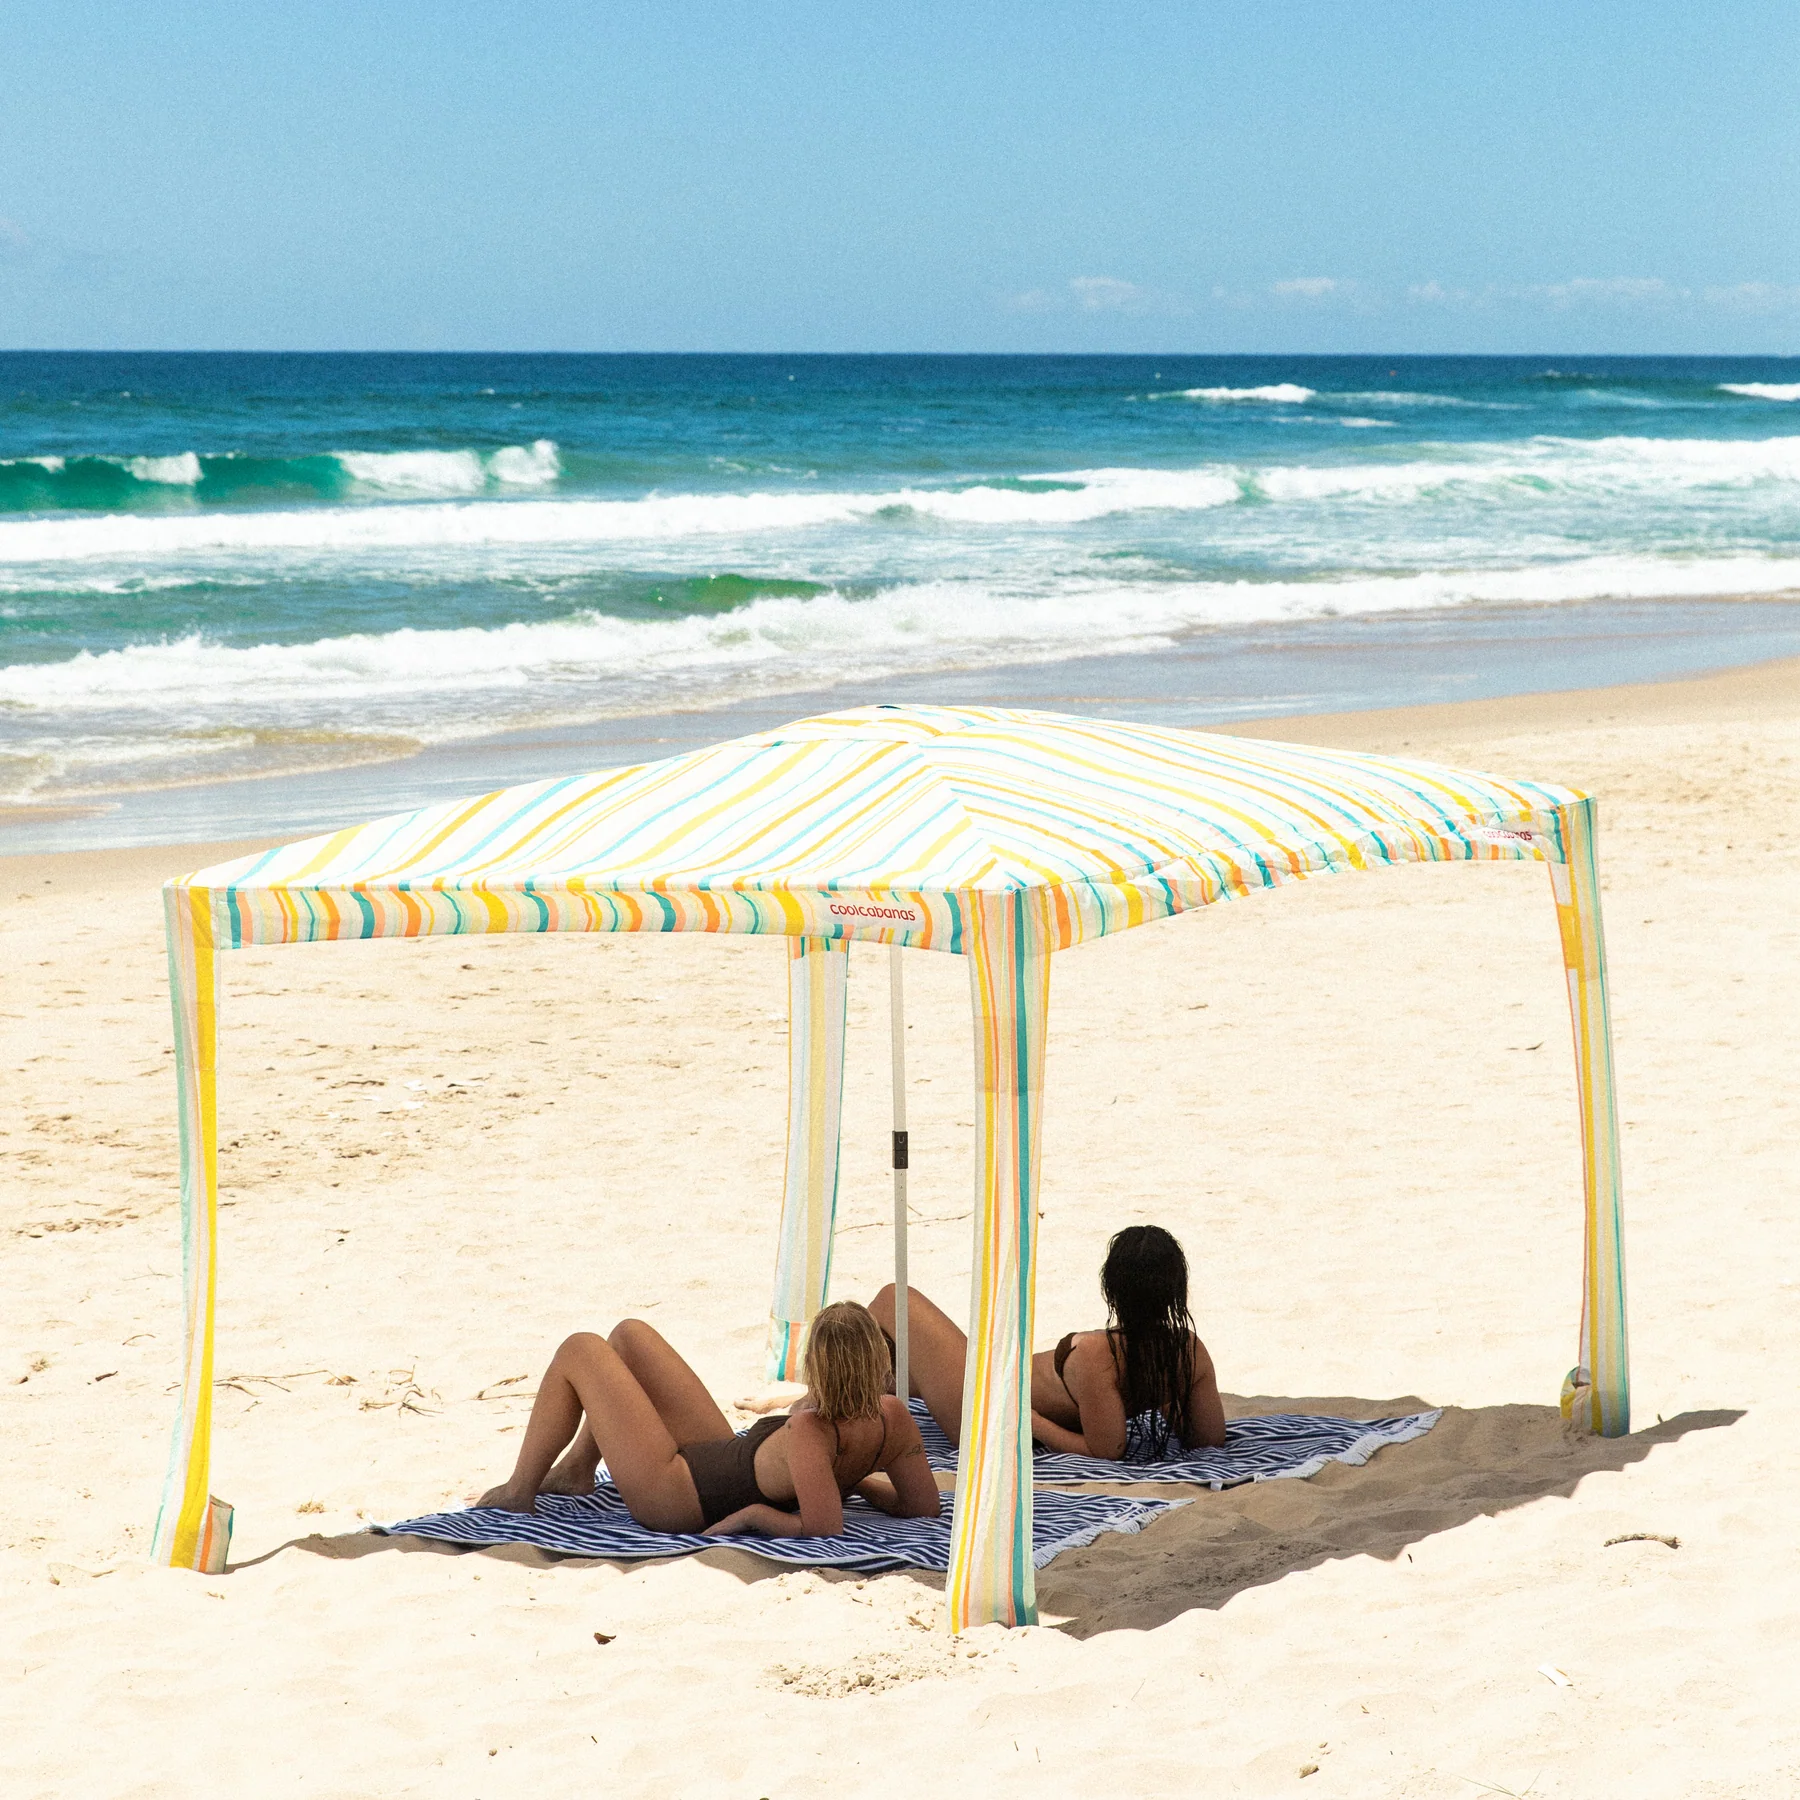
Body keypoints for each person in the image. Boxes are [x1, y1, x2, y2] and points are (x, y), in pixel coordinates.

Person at [474, 1300, 941, 1537]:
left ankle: (518, 1493)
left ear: (814, 1364)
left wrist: (756, 1516)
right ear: (880, 1360)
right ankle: (578, 1469)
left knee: (580, 1349)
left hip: (677, 1497)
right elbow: (923, 1507)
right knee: (629, 1336)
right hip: (726, 1456)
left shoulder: (810, 1429)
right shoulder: (894, 1417)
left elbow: (823, 1530)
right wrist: (855, 1480)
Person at [871, 1223, 1226, 1460]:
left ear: (1111, 1289)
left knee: (894, 1298)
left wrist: (1032, 1422)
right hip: (989, 1394)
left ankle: (845, 1390)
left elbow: (1107, 1450)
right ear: (1177, 1291)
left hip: (984, 1406)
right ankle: (865, 1390)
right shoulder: (1189, 1350)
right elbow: (1209, 1438)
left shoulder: (1098, 1354)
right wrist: (1165, 1393)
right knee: (902, 1369)